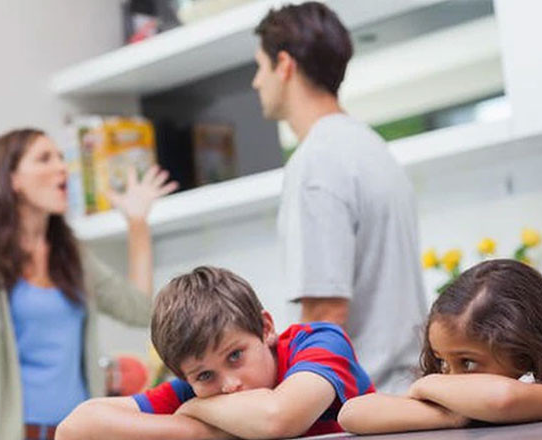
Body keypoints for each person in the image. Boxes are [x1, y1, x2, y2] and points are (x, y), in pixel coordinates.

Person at [0, 128, 177, 440]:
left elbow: (139, 310)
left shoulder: (72, 257)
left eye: (60, 157)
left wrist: (137, 223)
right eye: (45, 158)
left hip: (78, 432)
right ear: (12, 179)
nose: (61, 167)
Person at [252, 2, 427, 392]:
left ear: (284, 65)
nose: (256, 82)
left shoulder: (318, 161)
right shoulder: (371, 148)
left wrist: (291, 404)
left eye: (260, 67)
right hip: (403, 391)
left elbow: (325, 312)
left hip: (363, 404)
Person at [56, 266, 374, 440]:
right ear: (185, 377)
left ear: (265, 328)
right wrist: (198, 432)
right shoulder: (195, 388)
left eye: (235, 356)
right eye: (206, 375)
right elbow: (75, 428)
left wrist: (196, 408)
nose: (230, 385)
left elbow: (278, 418)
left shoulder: (318, 342)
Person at [338, 259, 542, 434]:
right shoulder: (457, 398)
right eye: (442, 362)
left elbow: (501, 399)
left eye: (468, 363)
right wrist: (455, 415)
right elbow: (351, 414)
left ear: (522, 353)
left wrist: (426, 385)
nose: (449, 378)